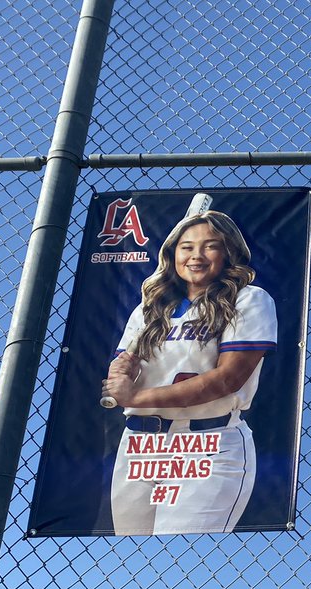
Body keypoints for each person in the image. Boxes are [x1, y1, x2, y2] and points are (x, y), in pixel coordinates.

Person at [102, 209, 277, 535]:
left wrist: (136, 396)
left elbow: (227, 379)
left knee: (179, 555)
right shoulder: (149, 310)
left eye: (210, 246)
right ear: (172, 254)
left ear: (228, 253)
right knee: (129, 554)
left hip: (207, 443)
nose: (196, 256)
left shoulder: (249, 300)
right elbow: (126, 364)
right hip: (140, 445)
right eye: (187, 247)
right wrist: (120, 372)